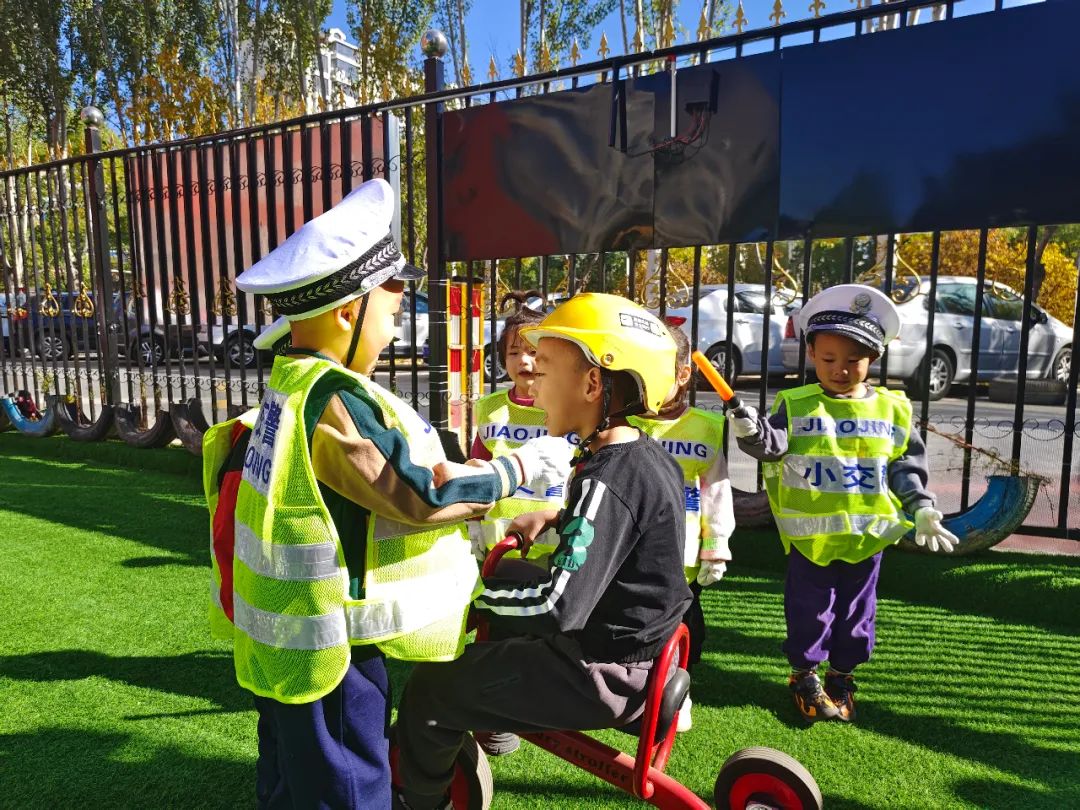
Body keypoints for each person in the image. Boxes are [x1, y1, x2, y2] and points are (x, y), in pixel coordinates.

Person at [201, 178, 570, 808]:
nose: (394, 333)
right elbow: (420, 492)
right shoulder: (333, 398)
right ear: (348, 311)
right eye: (391, 316)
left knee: (292, 776)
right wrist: (519, 470)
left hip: (282, 638)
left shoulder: (288, 387)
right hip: (330, 649)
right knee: (349, 784)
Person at [393, 293, 693, 810]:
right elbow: (630, 531)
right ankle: (495, 720)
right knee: (511, 575)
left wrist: (471, 601)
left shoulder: (610, 478)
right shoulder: (642, 457)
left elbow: (559, 607)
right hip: (642, 647)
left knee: (431, 690)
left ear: (593, 383)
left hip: (604, 671)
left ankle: (419, 802)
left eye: (546, 368)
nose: (531, 379)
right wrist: (557, 516)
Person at [730, 284, 958, 723]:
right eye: (829, 358)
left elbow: (904, 465)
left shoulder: (893, 409)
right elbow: (772, 446)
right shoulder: (795, 404)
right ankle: (804, 676)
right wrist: (751, 432)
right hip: (810, 540)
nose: (840, 369)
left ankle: (843, 675)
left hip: (866, 539)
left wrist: (922, 506)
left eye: (852, 360)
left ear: (872, 358)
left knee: (857, 616)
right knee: (808, 612)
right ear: (811, 353)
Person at [628, 319, 733, 732]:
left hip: (683, 554)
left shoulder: (707, 428)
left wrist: (716, 545)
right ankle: (633, 689)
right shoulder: (624, 421)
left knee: (687, 627)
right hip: (628, 549)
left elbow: (716, 489)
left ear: (683, 373)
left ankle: (678, 689)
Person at [468, 290, 573, 563]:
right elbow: (478, 466)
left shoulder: (568, 409)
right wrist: (474, 522)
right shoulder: (489, 409)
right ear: (503, 359)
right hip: (498, 546)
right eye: (514, 352)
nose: (524, 361)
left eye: (533, 352)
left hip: (554, 548)